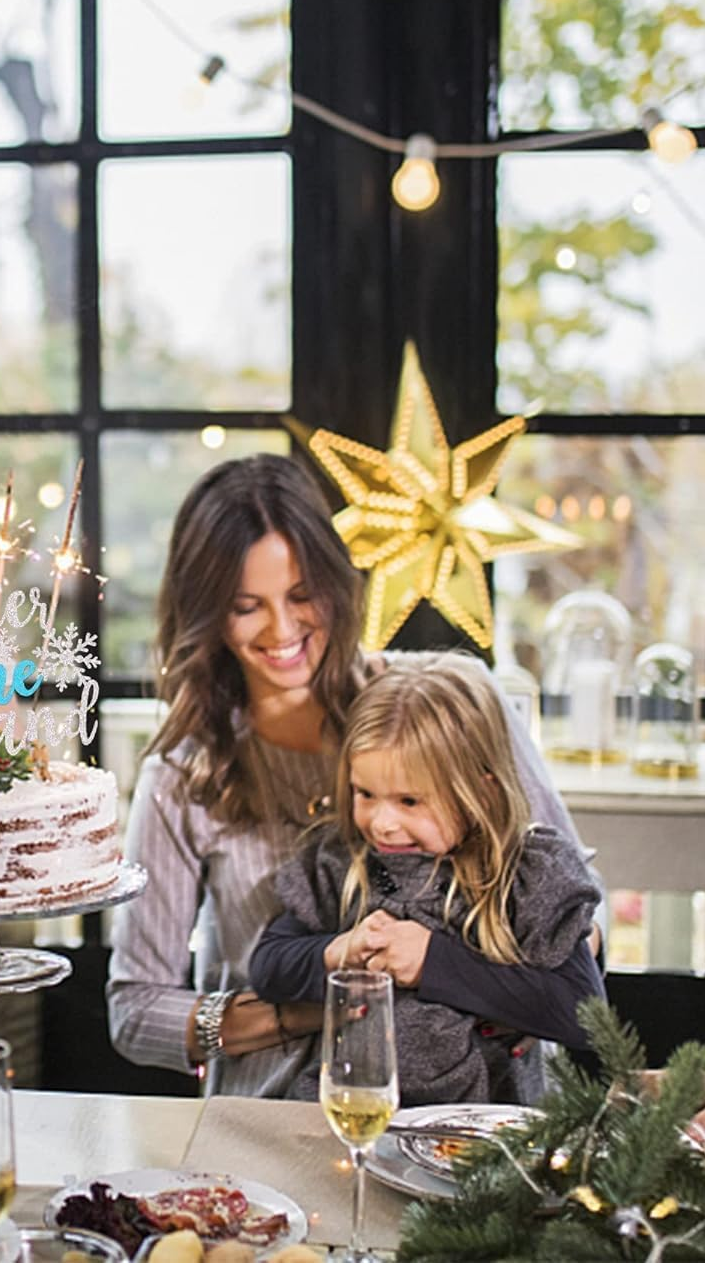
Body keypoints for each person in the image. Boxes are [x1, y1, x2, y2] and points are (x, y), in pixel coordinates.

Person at [106, 453, 591, 1095]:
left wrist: (471, 985)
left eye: (302, 595)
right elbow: (135, 1013)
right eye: (247, 606)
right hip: (278, 1118)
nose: (283, 629)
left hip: (483, 1120)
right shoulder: (183, 776)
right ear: (207, 613)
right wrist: (321, 1005)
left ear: (337, 582)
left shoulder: (453, 703)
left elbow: (576, 920)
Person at [248, 651, 604, 1104]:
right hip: (350, 1117)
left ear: (480, 790)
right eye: (365, 794)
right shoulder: (341, 863)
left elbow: (584, 1013)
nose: (382, 824)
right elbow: (268, 968)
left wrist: (432, 962)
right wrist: (338, 951)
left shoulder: (525, 874)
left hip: (484, 1131)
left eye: (410, 802)